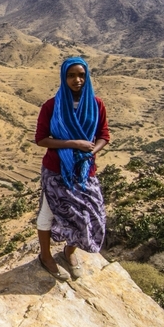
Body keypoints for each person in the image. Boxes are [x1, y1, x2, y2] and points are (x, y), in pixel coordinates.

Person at [32, 56, 110, 280]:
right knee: (47, 213)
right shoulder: (52, 105)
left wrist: (90, 153)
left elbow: (104, 136)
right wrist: (73, 144)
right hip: (56, 170)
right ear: (63, 77)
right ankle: (46, 256)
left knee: (89, 215)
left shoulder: (96, 104)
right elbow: (41, 139)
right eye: (71, 75)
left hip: (85, 170)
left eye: (81, 75)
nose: (77, 80)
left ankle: (69, 251)